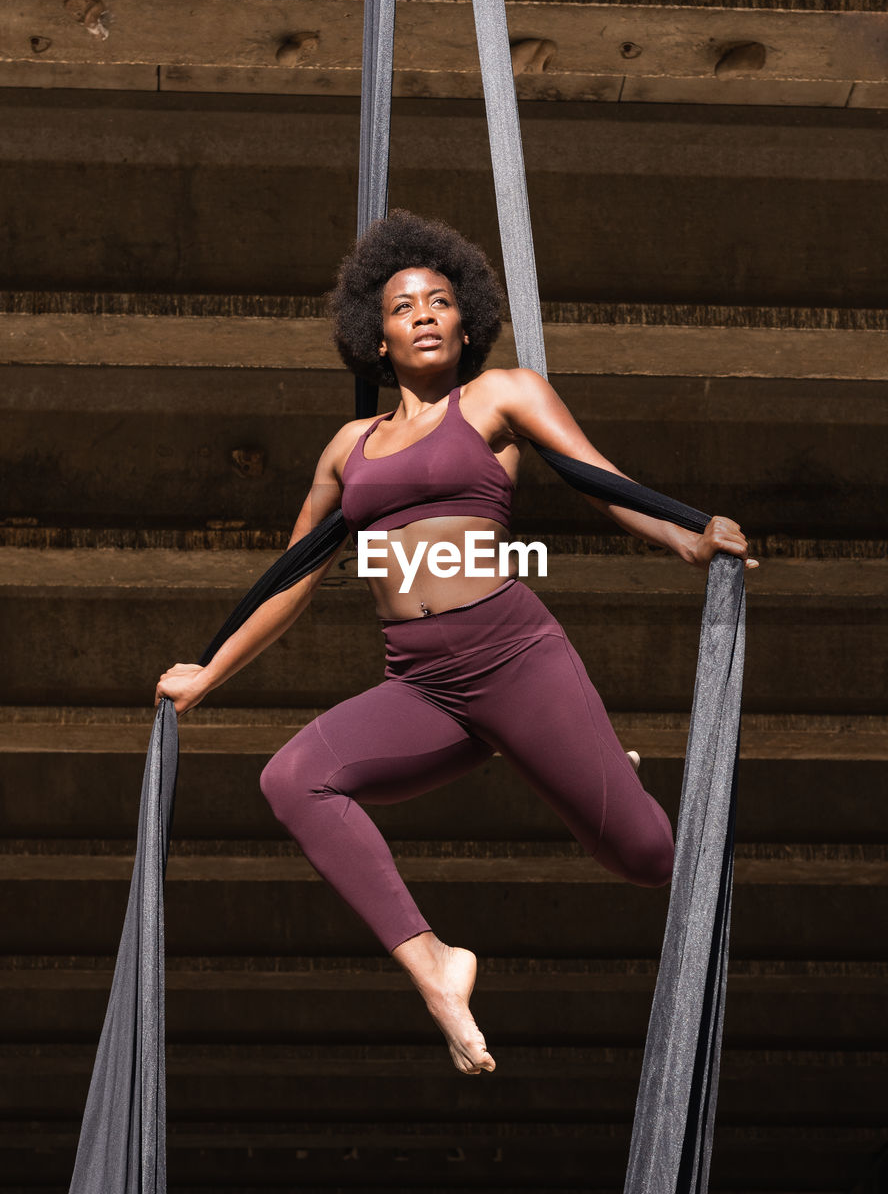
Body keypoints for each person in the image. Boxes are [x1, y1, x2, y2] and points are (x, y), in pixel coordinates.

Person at [156, 210, 756, 1076]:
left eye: (441, 300)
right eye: (405, 307)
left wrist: (686, 535)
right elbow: (292, 577)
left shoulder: (502, 397)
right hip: (420, 683)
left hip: (513, 657)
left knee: (648, 859)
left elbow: (596, 479)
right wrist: (208, 672)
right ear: (377, 338)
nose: (426, 314)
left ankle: (577, 750)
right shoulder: (346, 450)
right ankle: (433, 962)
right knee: (292, 778)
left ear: (468, 321)